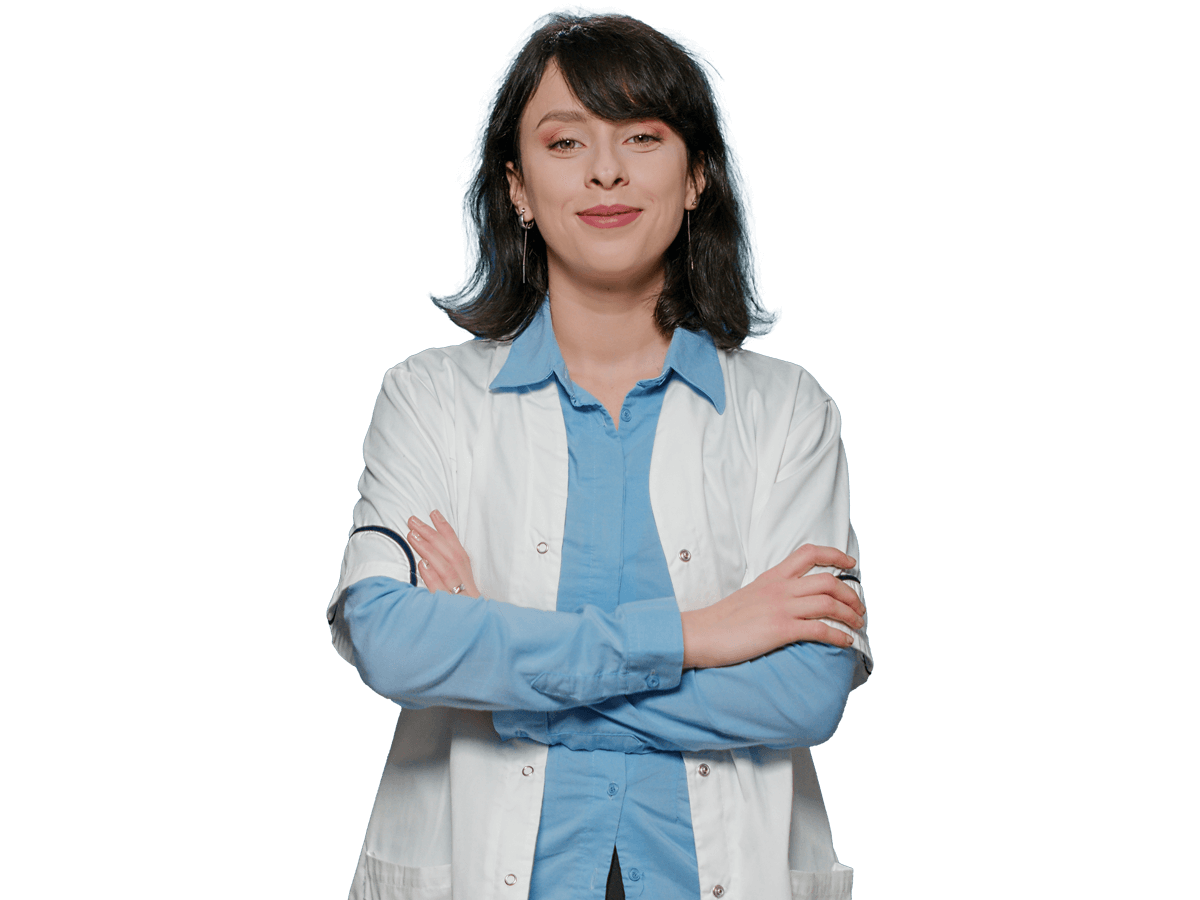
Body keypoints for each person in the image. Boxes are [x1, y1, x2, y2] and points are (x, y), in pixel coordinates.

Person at [327, 10, 872, 900]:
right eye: (566, 140)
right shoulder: (428, 397)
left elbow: (808, 690)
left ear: (697, 175)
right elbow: (388, 640)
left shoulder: (788, 411)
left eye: (643, 137)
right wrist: (699, 636)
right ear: (517, 187)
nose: (606, 171)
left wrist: (503, 676)